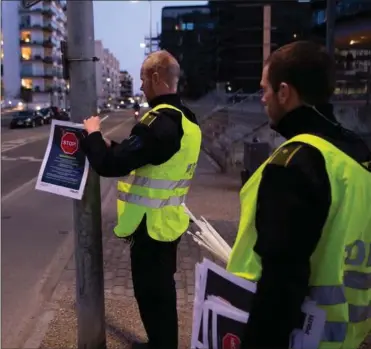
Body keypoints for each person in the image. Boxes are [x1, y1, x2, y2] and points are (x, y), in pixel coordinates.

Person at [226, 41, 371, 349]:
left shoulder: (295, 163)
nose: (262, 98)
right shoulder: (358, 154)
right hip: (347, 337)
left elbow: (281, 285)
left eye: (265, 89)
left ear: (284, 92)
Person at [81, 50, 202, 349]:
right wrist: (118, 146)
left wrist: (94, 135)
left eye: (143, 80)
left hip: (150, 228)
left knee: (152, 295)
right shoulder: (186, 119)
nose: (142, 87)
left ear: (156, 78)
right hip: (168, 222)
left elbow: (109, 166)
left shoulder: (157, 122)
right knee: (162, 294)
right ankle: (161, 342)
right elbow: (151, 157)